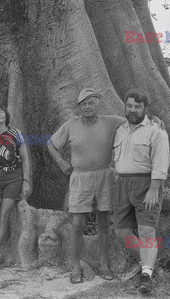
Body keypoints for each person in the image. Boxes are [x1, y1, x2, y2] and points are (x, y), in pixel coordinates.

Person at [48, 88, 126, 283]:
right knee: (77, 224)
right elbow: (51, 143)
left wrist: (154, 122)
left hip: (104, 175)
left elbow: (135, 122)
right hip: (80, 177)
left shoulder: (111, 121)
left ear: (98, 104)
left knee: (104, 223)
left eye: (91, 102)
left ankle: (104, 264)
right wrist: (61, 162)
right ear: (79, 107)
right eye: (83, 104)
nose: (87, 106)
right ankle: (75, 266)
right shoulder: (71, 124)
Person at [112, 89, 169, 294]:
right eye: (129, 106)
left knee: (146, 230)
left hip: (146, 183)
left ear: (146, 108)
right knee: (121, 232)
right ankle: (150, 264)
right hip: (122, 183)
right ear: (125, 107)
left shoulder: (156, 130)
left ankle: (146, 274)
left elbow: (161, 161)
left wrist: (154, 188)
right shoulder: (119, 129)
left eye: (138, 106)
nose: (133, 110)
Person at [0, 104, 31, 268]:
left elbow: (25, 159)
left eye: (1, 111)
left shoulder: (15, 133)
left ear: (6, 116)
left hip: (14, 178)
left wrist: (26, 181)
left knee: (3, 216)